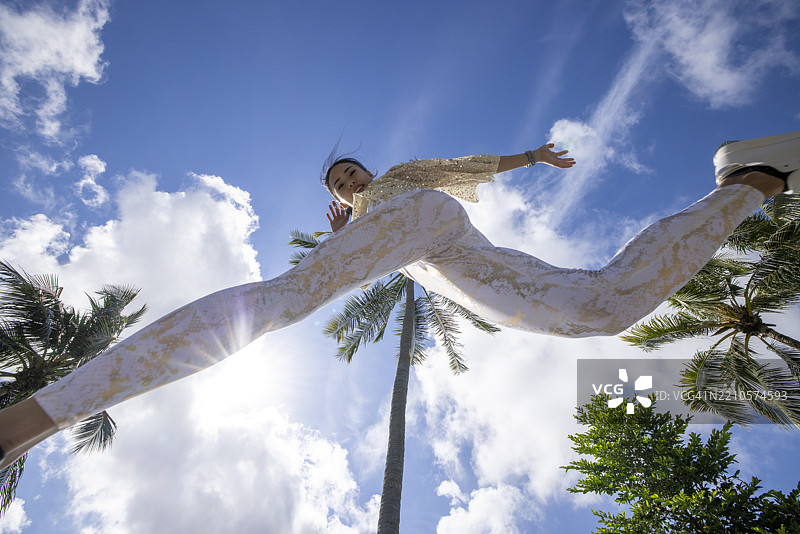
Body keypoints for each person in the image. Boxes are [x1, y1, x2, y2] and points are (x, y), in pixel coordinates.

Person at [0, 131, 798, 470]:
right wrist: (348, 229)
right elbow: (366, 239)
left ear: (363, 174)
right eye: (339, 186)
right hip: (454, 261)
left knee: (285, 299)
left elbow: (464, 162)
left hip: (436, 230)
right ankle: (750, 182)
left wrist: (529, 156)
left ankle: (26, 421)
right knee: (604, 307)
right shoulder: (359, 219)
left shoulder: (398, 182)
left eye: (349, 175)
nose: (347, 184)